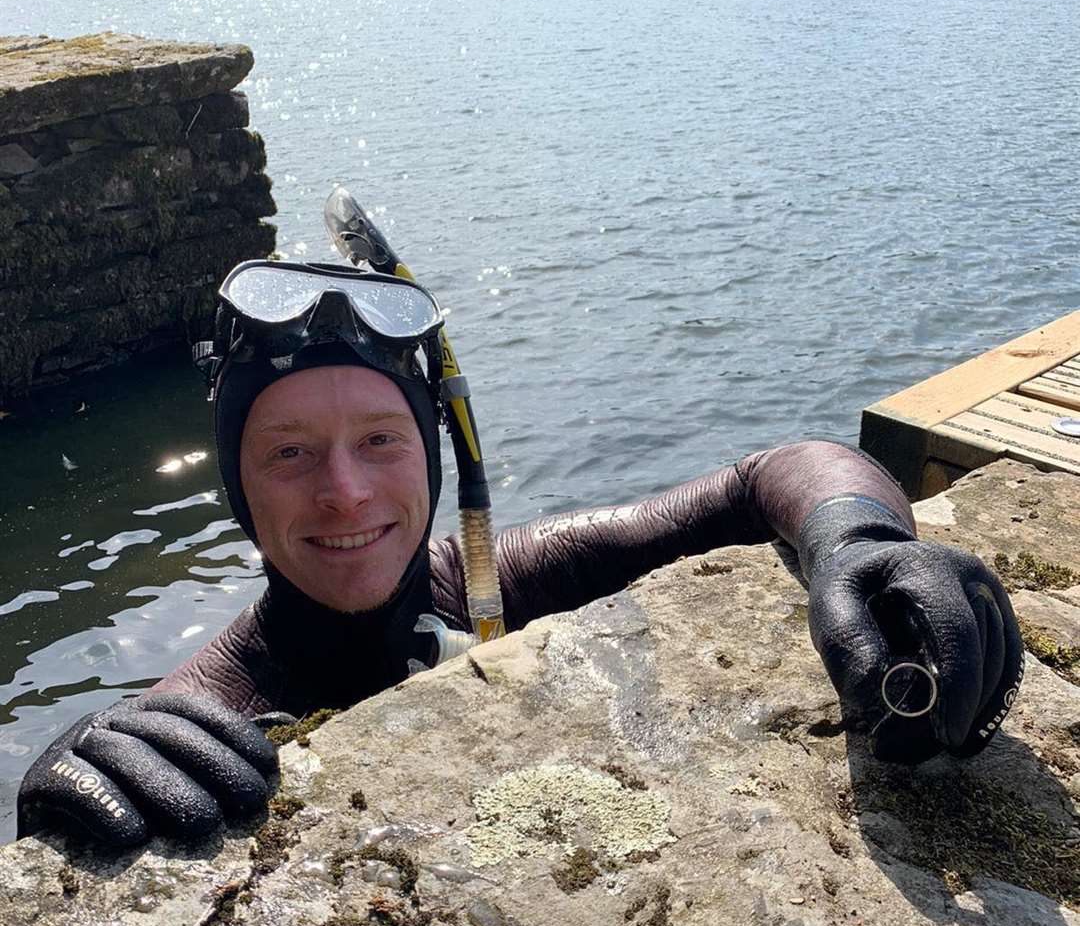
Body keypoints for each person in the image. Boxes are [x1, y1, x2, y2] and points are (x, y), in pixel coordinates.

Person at [17, 249, 1024, 846]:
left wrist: (857, 538)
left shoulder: (493, 586)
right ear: (236, 488)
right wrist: (56, 809)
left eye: (380, 440)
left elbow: (778, 469)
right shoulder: (202, 712)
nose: (345, 490)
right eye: (288, 454)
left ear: (430, 456)